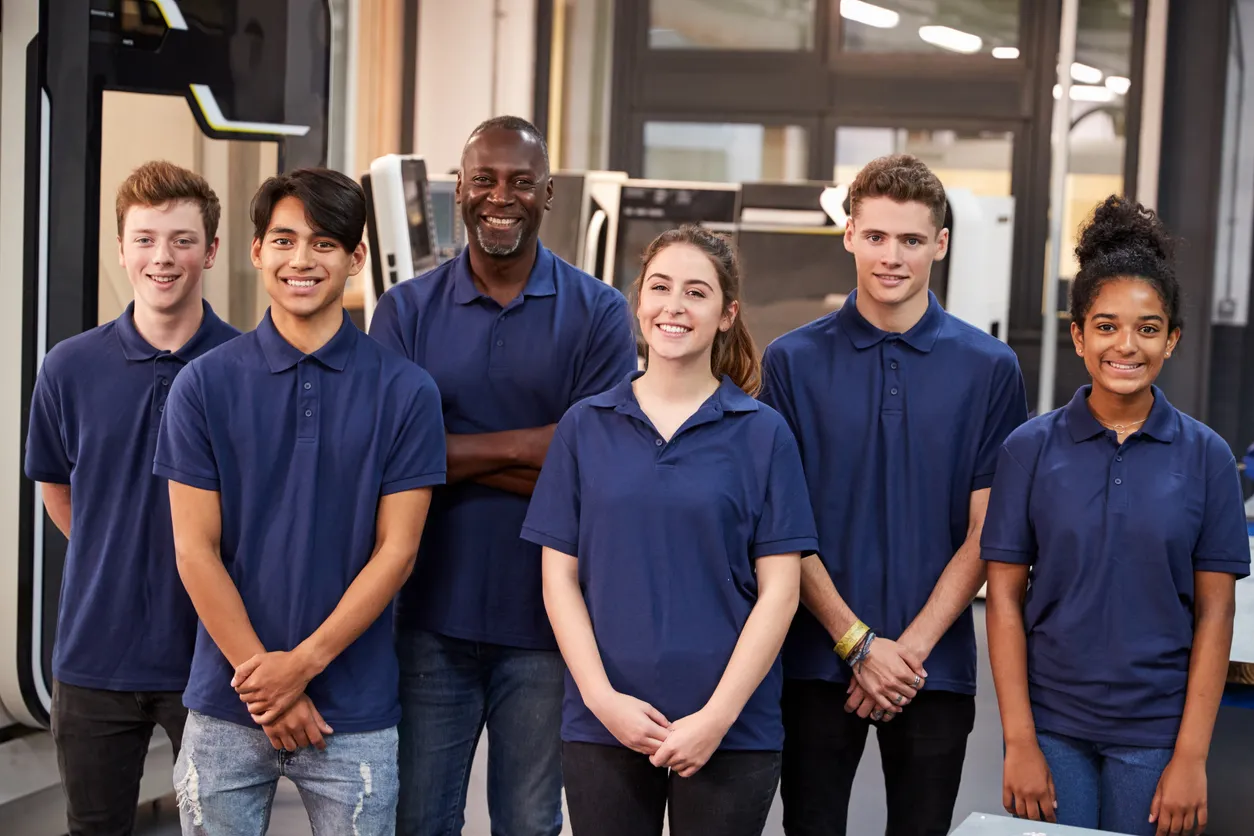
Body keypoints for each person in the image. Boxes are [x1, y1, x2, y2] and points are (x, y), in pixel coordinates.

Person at [155, 168, 446, 834]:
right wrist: (269, 687)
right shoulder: (203, 386)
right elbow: (194, 550)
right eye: (283, 240)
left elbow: (396, 553)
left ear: (356, 259)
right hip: (229, 708)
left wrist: (301, 667)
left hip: (356, 712)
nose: (301, 260)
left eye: (323, 243)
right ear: (256, 250)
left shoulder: (406, 392)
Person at [369, 115, 638, 836]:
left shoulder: (600, 313)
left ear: (548, 193)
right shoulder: (404, 312)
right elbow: (387, 460)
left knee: (528, 824)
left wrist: (447, 456)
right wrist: (534, 452)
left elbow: (594, 465)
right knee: (420, 821)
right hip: (427, 617)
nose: (500, 196)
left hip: (548, 627)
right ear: (458, 189)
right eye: (484, 179)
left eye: (521, 182)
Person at [760, 154, 1029, 836]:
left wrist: (903, 653)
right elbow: (782, 526)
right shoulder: (791, 361)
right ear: (848, 234)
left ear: (940, 244)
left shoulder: (991, 369)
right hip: (815, 660)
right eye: (876, 236)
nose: (892, 256)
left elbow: (986, 532)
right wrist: (857, 645)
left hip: (930, 668)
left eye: (911, 240)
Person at [520, 225, 815, 836]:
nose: (674, 306)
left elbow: (781, 592)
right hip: (605, 725)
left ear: (727, 313)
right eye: (660, 287)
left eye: (697, 292)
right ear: (638, 302)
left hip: (734, 730)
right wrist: (605, 704)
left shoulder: (763, 434)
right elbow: (559, 581)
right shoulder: (585, 427)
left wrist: (716, 718)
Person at [982, 196, 1250, 836]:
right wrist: (1019, 741)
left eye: (1148, 328)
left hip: (1158, 733)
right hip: (1050, 727)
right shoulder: (1028, 449)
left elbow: (1216, 613)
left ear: (1172, 338)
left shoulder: (1207, 456)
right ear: (1078, 336)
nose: (1125, 345)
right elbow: (1003, 602)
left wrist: (1191, 755)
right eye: (1105, 326)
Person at [23, 160, 239, 836]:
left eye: (180, 239)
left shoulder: (247, 368)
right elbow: (56, 487)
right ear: (120, 249)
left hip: (213, 656)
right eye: (144, 239)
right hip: (94, 653)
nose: (162, 257)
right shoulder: (69, 367)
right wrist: (112, 548)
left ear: (211, 249)